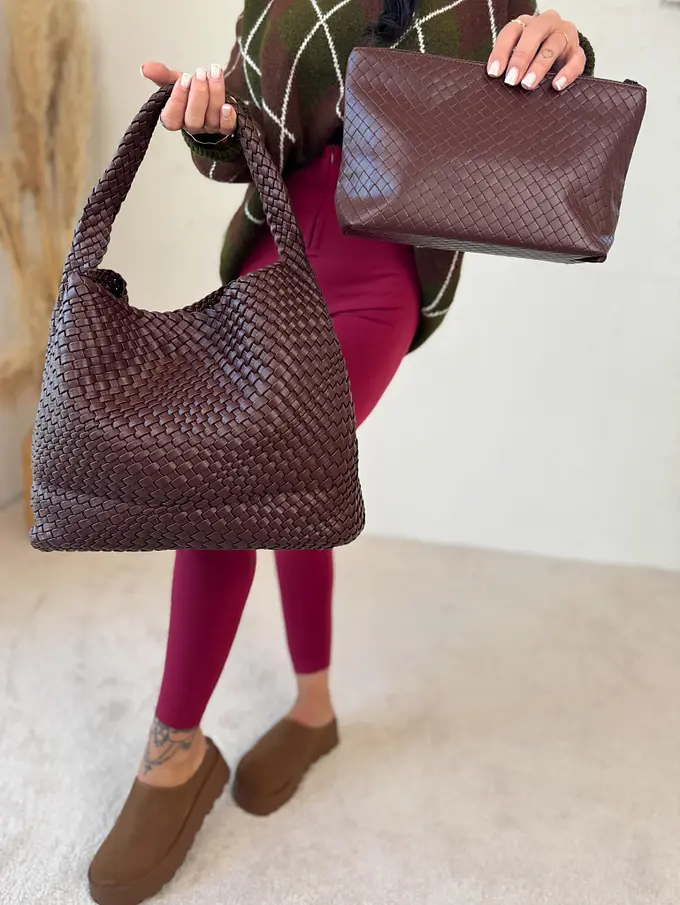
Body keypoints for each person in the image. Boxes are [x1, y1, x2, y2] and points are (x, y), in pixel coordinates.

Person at [88, 3, 595, 903]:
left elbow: (528, 126)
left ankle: (173, 753)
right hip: (274, 254)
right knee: (292, 483)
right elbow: (246, 142)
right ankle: (310, 712)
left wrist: (572, 50)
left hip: (380, 274)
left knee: (238, 477)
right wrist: (208, 122)